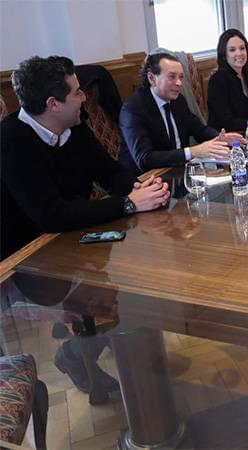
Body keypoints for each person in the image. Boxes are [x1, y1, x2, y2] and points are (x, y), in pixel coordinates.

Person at [0, 56, 171, 397]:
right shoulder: (10, 141)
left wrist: (140, 188)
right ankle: (83, 354)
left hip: (71, 237)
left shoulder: (73, 124)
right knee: (113, 296)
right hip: (27, 259)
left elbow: (109, 172)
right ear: (53, 104)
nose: (85, 97)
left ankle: (95, 351)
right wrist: (128, 204)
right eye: (77, 92)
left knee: (133, 280)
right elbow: (52, 215)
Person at [118, 52, 242, 173]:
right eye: (172, 77)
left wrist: (219, 137)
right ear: (152, 78)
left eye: (181, 77)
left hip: (178, 170)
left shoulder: (178, 100)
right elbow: (144, 159)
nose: (179, 83)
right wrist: (193, 151)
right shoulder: (133, 109)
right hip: (144, 179)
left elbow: (198, 129)